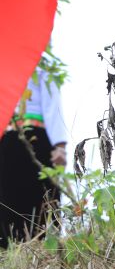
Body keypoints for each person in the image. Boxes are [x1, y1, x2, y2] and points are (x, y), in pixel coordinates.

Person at [1, 64, 66, 247]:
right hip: (8, 139)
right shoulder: (4, 66)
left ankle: (44, 246)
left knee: (41, 193)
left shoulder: (45, 68)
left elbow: (53, 106)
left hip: (37, 139)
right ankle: (8, 248)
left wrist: (59, 146)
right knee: (7, 195)